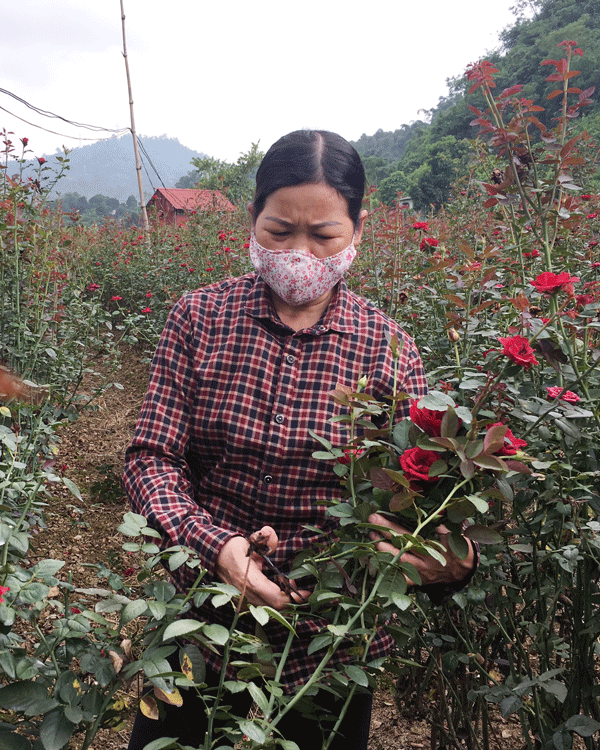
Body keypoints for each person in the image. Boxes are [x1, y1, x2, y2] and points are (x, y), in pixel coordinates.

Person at [123, 129, 476, 750]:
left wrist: (450, 558)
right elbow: (152, 458)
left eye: (324, 235)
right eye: (279, 232)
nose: (300, 253)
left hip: (330, 633)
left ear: (357, 230)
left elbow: (418, 490)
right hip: (198, 612)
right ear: (252, 220)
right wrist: (215, 545)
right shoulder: (198, 318)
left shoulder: (387, 346)